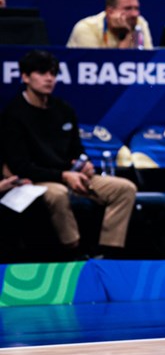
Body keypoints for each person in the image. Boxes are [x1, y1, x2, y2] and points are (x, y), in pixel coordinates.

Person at [1, 50, 138, 259]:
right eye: (42, 72)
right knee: (57, 194)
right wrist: (63, 176)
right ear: (25, 77)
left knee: (124, 189)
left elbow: (77, 149)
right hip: (37, 180)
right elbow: (21, 166)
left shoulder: (63, 109)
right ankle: (75, 252)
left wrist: (84, 165)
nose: (49, 78)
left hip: (72, 175)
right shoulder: (13, 114)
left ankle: (108, 253)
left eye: (53, 73)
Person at [66, 0, 152, 49]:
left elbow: (148, 62)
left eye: (136, 8)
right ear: (110, 12)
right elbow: (97, 69)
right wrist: (126, 36)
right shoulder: (86, 28)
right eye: (128, 8)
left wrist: (128, 32)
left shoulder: (140, 23)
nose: (134, 14)